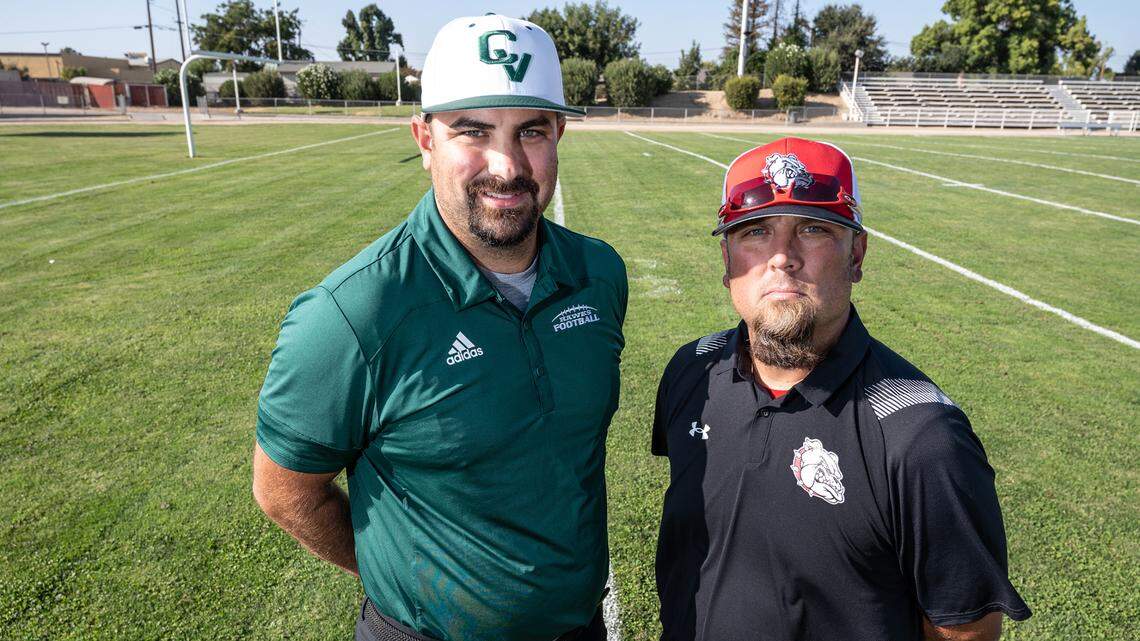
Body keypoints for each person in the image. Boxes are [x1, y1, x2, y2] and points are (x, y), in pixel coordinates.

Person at [251, 14, 627, 641]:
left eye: (530, 130)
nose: (506, 166)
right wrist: (406, 579)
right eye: (472, 132)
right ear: (425, 138)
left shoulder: (599, 274)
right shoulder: (351, 314)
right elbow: (286, 493)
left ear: (559, 131)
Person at [651, 137, 1030, 641]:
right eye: (756, 231)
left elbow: (964, 631)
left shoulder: (923, 438)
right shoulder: (690, 371)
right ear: (728, 259)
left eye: (813, 229)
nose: (782, 257)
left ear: (857, 254)